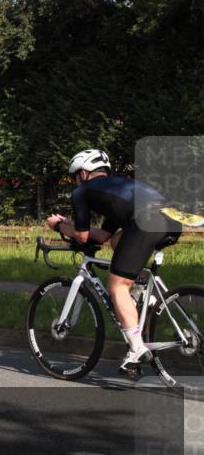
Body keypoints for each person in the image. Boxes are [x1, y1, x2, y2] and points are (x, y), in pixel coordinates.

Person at [45, 149, 182, 375]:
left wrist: (58, 225)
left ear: (84, 173)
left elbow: (82, 237)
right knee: (118, 240)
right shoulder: (119, 189)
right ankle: (138, 290)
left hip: (146, 222)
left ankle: (137, 347)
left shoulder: (82, 191)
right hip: (171, 219)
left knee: (117, 286)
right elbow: (102, 236)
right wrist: (71, 222)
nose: (76, 181)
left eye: (75, 176)